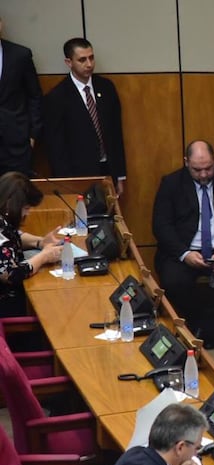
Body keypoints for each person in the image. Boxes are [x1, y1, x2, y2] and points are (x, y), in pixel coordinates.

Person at [152, 140, 214, 349]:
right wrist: (184, 253)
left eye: (208, 168)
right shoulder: (171, 183)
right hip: (186, 250)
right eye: (197, 170)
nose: (204, 175)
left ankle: (203, 333)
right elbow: (161, 225)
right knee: (173, 281)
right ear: (186, 162)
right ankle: (199, 327)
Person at [43, 38, 127, 195]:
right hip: (78, 174)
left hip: (108, 169)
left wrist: (120, 175)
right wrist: (68, 184)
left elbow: (116, 133)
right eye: (82, 59)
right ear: (69, 62)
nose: (89, 64)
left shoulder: (106, 87)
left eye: (91, 57)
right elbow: (56, 148)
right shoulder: (57, 97)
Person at [0, 172, 62, 317]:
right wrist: (43, 257)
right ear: (11, 203)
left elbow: (13, 236)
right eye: (26, 208)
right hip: (6, 305)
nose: (27, 214)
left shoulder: (3, 221)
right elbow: (10, 274)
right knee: (51, 306)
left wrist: (40, 242)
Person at [0, 16, 43, 176]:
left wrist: (33, 134)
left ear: (1, 25)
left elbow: (34, 95)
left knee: (18, 192)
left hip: (17, 142)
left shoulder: (20, 55)